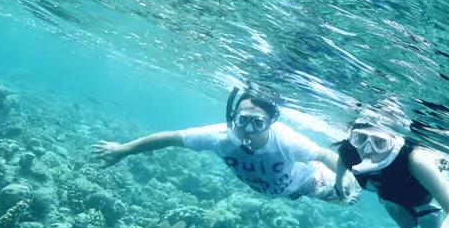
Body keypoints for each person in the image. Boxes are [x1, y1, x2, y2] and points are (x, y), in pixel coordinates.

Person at [93, 87, 356, 203]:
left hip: (305, 183)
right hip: (273, 189)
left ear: (270, 124)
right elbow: (170, 138)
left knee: (347, 196)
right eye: (243, 121)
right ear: (233, 118)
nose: (248, 130)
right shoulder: (218, 136)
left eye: (258, 123)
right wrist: (123, 150)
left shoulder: (285, 139)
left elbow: (322, 153)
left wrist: (343, 179)